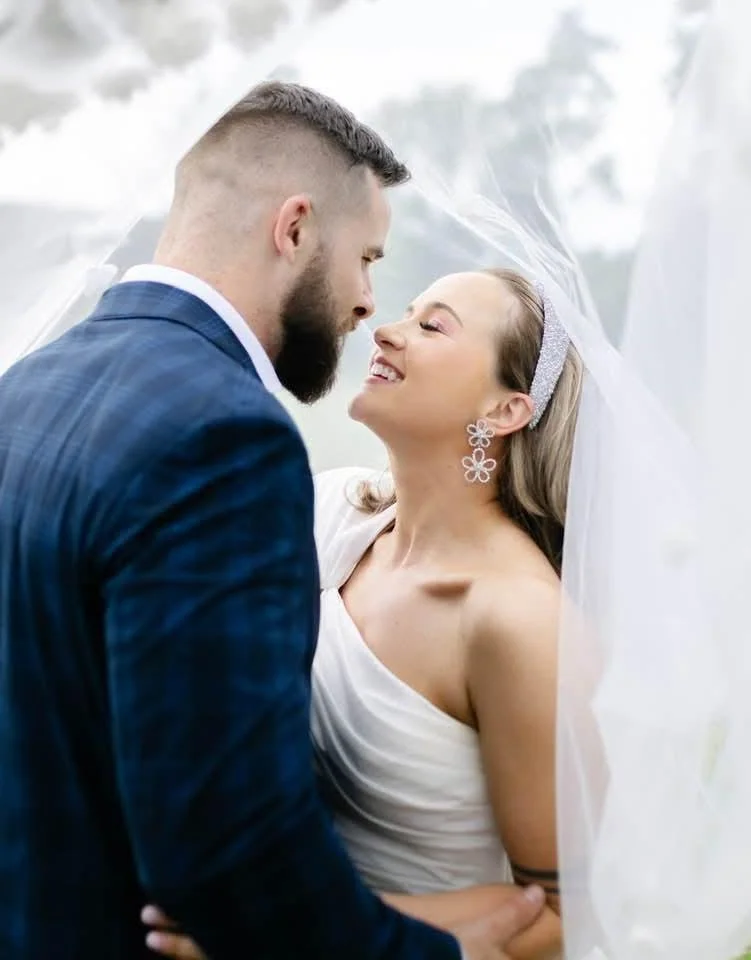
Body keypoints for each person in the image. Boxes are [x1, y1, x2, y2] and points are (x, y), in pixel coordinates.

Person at [0, 82, 543, 960]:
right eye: (367, 259)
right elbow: (228, 853)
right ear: (294, 229)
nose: (371, 307)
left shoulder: (24, 387)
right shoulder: (226, 435)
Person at [143, 266, 581, 960]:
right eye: (404, 313)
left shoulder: (515, 618)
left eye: (431, 325)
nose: (384, 331)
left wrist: (290, 926)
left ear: (505, 411)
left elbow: (565, 916)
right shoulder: (328, 508)